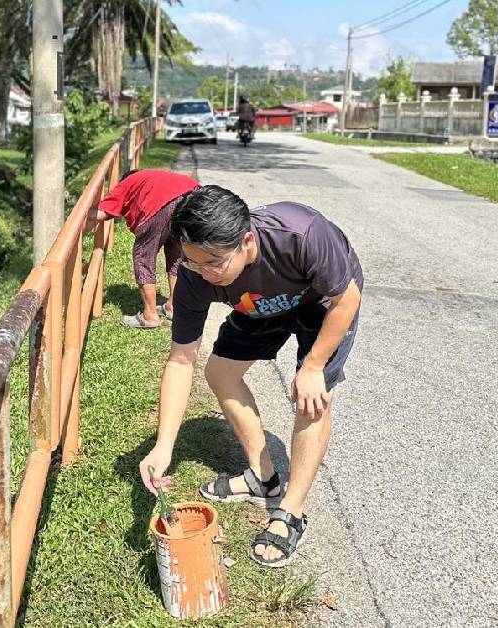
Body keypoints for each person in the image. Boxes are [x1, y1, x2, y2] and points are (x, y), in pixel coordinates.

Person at [137, 185, 363, 568]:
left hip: (325, 303)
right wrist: (163, 447)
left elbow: (347, 299)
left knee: (311, 396)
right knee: (220, 371)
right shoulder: (196, 276)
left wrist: (312, 367)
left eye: (214, 262)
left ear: (246, 240)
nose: (205, 274)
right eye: (193, 262)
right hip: (258, 306)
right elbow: (181, 360)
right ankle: (264, 477)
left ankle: (290, 509)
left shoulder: (300, 233)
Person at [83, 169, 199, 329]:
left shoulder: (127, 183)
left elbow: (100, 213)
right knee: (177, 257)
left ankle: (150, 316)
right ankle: (174, 307)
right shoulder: (152, 177)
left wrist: (79, 221)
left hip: (163, 203)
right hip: (194, 199)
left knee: (143, 258)